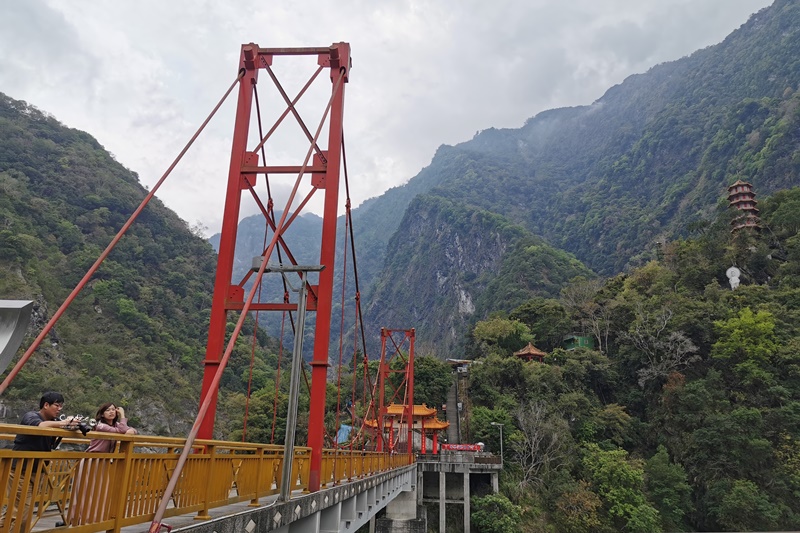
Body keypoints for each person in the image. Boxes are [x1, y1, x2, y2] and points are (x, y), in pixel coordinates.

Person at [0, 391, 75, 531]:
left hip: (38, 471)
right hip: (21, 470)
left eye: (61, 407)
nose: (59, 409)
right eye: (57, 405)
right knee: (22, 512)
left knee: (17, 511)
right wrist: (64, 423)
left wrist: (71, 423)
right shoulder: (31, 416)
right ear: (46, 405)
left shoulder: (55, 422)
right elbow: (40, 426)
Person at [67, 403, 137, 527]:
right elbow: (121, 431)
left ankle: (95, 519)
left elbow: (132, 432)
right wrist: (123, 416)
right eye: (107, 410)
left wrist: (128, 429)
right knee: (86, 492)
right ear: (102, 413)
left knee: (100, 491)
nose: (111, 412)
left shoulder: (116, 425)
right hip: (91, 461)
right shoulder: (98, 425)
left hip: (103, 462)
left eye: (113, 410)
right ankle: (78, 519)